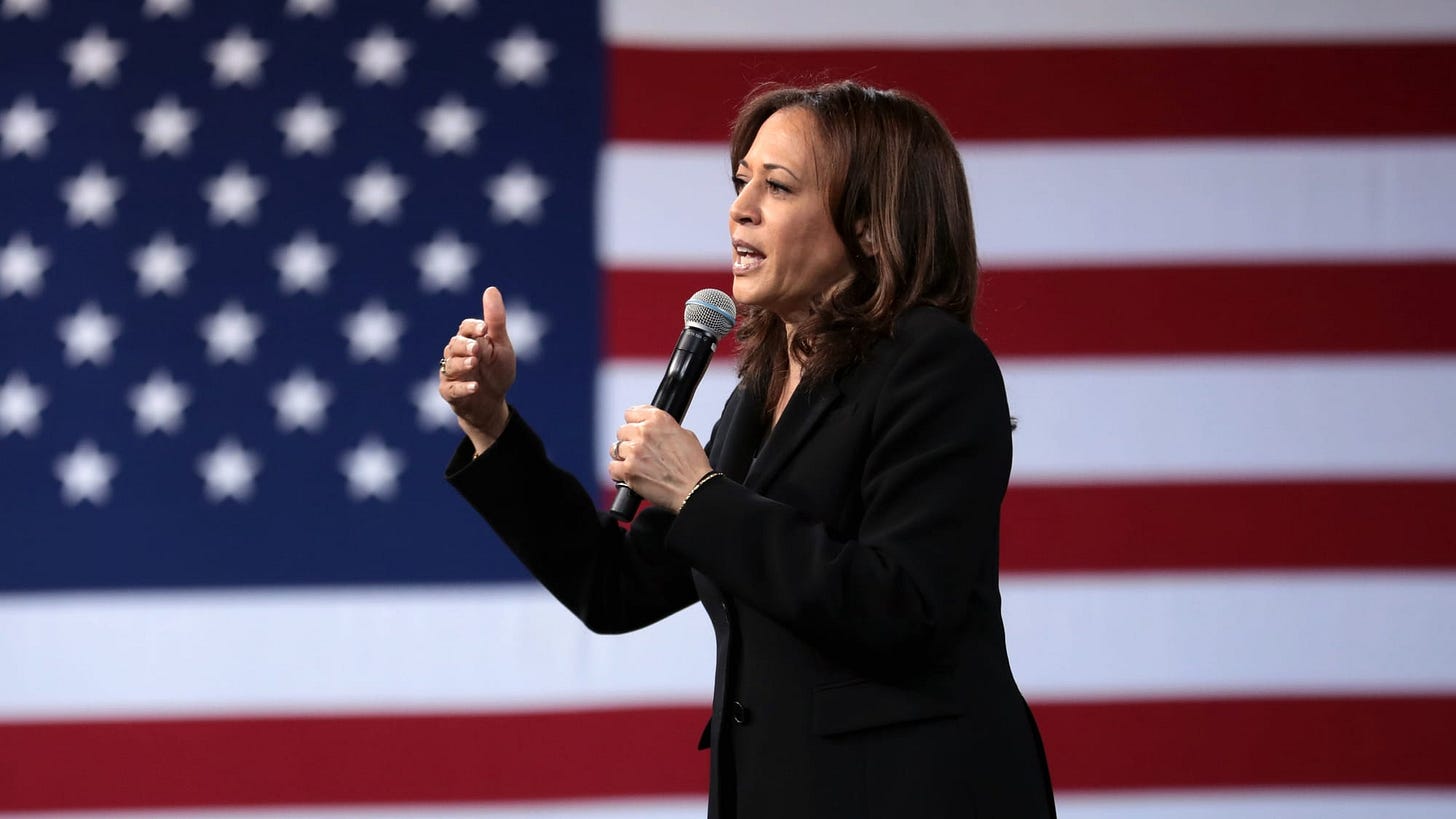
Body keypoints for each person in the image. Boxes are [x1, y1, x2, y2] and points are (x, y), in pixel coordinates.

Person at [438, 80, 1056, 818]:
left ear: (866, 224)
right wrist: (491, 425)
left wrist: (700, 494)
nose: (740, 207)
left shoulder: (935, 365)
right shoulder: (758, 391)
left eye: (779, 186)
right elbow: (615, 586)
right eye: (741, 182)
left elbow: (902, 605)